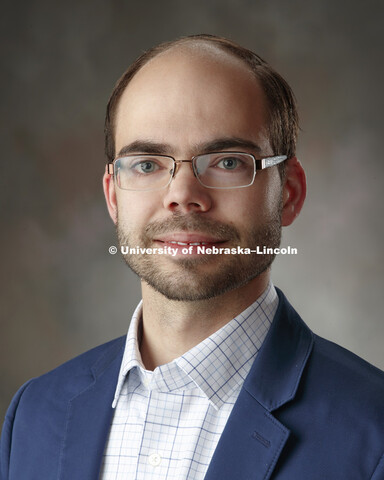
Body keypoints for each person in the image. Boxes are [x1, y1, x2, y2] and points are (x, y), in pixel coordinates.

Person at [1, 34, 384, 480]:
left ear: (289, 193)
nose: (182, 196)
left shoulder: (372, 434)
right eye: (147, 164)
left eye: (226, 162)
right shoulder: (34, 414)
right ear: (112, 196)